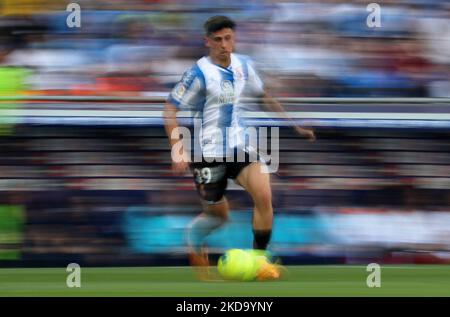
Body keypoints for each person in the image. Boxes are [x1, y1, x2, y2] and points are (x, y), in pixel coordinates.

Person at [164, 16, 315, 280]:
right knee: (219, 217)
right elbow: (169, 110)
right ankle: (194, 238)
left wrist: (294, 126)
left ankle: (259, 262)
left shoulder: (244, 65)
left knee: (264, 196)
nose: (224, 45)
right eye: (218, 40)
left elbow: (264, 96)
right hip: (207, 153)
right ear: (208, 42)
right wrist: (177, 149)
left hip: (240, 147)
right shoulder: (198, 73)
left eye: (228, 38)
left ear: (234, 38)